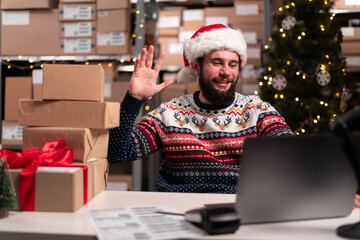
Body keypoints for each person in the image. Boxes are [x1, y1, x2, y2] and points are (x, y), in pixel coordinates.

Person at [107, 24, 294, 193]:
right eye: (217, 62)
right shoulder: (170, 113)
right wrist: (134, 99)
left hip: (236, 208)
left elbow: (287, 145)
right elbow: (118, 153)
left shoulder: (256, 110)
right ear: (196, 67)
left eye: (233, 64)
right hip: (179, 210)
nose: (226, 72)